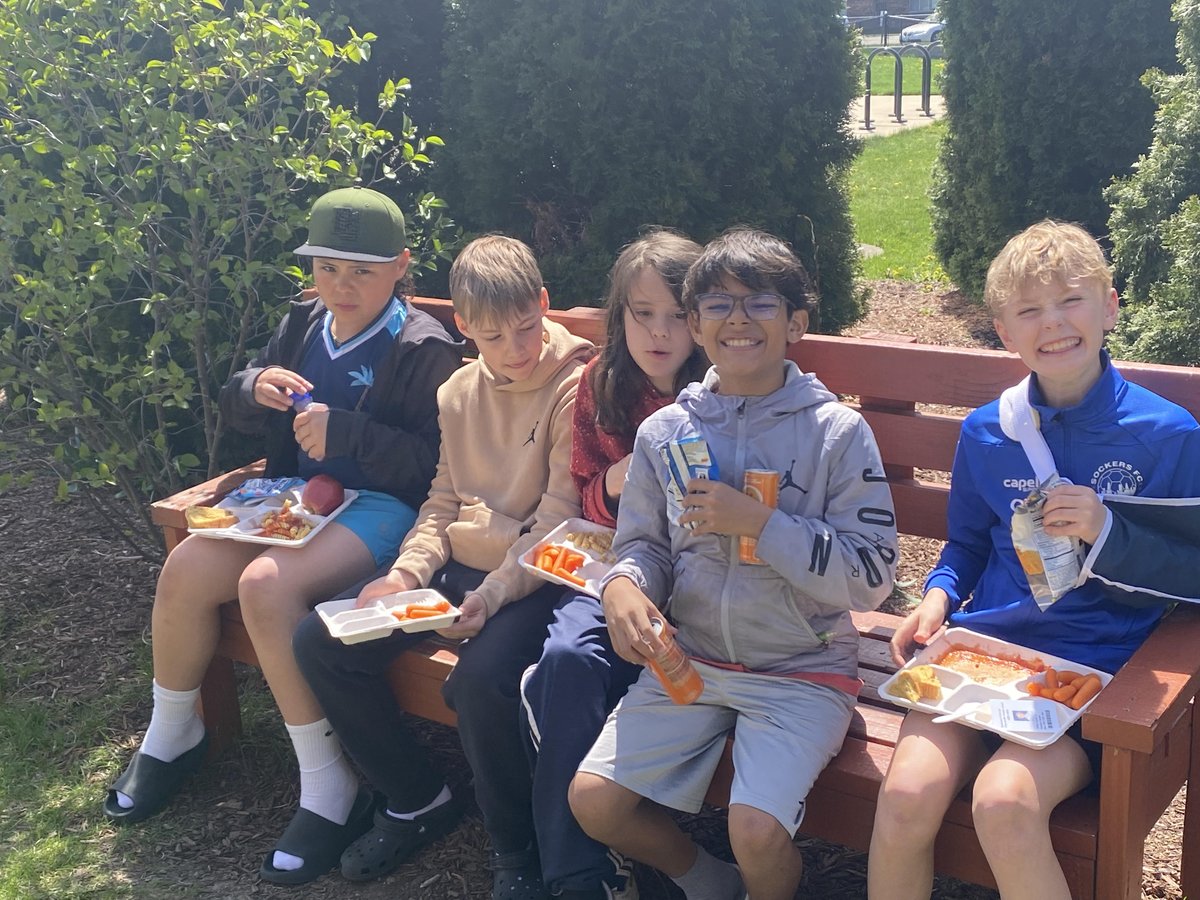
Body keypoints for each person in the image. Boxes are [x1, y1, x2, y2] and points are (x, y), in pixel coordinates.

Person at [102, 186, 463, 885]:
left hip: (385, 508)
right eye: (328, 268)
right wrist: (253, 383)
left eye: (361, 270)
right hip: (291, 499)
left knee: (265, 587)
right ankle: (174, 733)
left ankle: (330, 785)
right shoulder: (304, 321)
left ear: (401, 267)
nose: (342, 285)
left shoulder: (424, 347)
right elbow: (245, 398)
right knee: (183, 571)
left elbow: (436, 464)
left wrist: (348, 433)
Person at [868, 220, 1200, 900]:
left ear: (1109, 306)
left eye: (1071, 299)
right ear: (1003, 332)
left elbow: (1192, 577)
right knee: (905, 795)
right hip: (981, 659)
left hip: (1088, 679)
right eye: (1028, 310)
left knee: (1004, 802)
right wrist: (934, 597)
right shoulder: (989, 431)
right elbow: (963, 546)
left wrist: (1108, 529)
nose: (1053, 323)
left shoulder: (1168, 436)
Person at [567, 228, 899, 900]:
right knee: (594, 802)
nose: (738, 320)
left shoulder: (835, 432)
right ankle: (709, 883)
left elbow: (872, 575)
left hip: (800, 669)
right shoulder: (666, 432)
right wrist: (623, 587)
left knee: (755, 829)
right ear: (695, 324)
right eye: (717, 306)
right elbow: (643, 545)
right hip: (690, 664)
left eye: (760, 305)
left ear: (797, 322)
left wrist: (763, 525)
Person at [292, 235, 593, 898]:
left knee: (483, 682)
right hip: (455, 575)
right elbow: (442, 500)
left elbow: (558, 522)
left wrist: (492, 594)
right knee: (322, 640)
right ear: (464, 328)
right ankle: (417, 797)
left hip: (532, 579)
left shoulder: (576, 383)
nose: (516, 350)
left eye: (525, 328)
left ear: (543, 305)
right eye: (492, 337)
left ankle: (516, 851)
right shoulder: (457, 391)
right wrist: (405, 574)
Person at [520, 230, 708, 900]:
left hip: (702, 584)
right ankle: (576, 874)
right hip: (614, 571)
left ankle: (631, 859)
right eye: (641, 313)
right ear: (618, 314)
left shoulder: (725, 391)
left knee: (575, 684)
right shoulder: (601, 387)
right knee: (567, 661)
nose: (659, 332)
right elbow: (588, 500)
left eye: (678, 315)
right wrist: (622, 478)